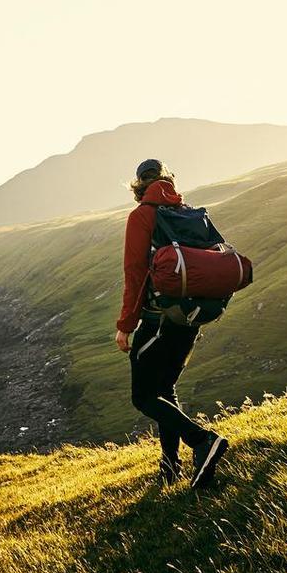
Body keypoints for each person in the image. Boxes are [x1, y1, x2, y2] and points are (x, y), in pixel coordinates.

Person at [115, 158, 228, 488]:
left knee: (143, 396)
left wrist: (125, 325)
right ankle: (170, 467)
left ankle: (202, 440)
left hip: (158, 320)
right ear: (168, 181)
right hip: (190, 317)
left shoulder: (142, 216)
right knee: (165, 390)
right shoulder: (188, 212)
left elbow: (135, 273)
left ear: (139, 185)